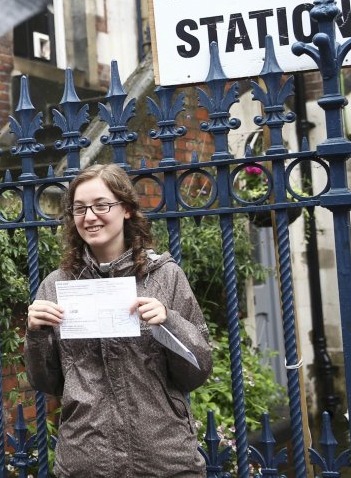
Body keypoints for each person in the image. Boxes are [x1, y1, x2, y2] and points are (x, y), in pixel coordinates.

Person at [24, 163, 213, 478]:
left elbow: (198, 371)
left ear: (126, 209)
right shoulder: (57, 285)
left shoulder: (166, 277)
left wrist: (169, 321)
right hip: (86, 462)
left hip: (164, 460)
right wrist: (36, 334)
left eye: (101, 205)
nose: (90, 216)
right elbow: (47, 383)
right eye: (80, 208)